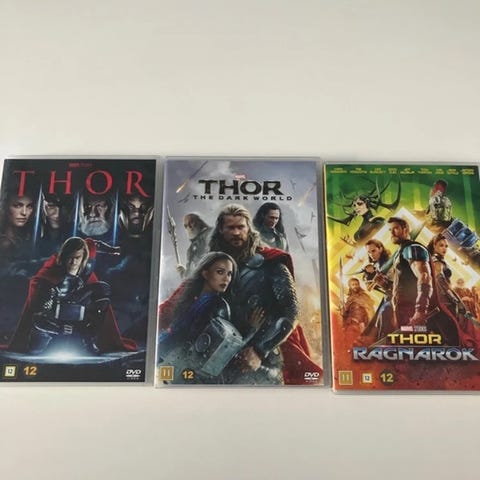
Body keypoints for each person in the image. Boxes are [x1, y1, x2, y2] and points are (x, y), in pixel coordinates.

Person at [209, 203, 322, 385]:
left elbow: (291, 311)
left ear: (249, 228)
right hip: (223, 355)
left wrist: (260, 349)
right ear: (221, 230)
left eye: (240, 227)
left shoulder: (271, 264)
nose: (236, 232)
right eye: (230, 228)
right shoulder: (214, 266)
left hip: (263, 359)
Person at [8, 237, 136, 354]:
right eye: (70, 257)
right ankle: (48, 340)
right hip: (53, 301)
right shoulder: (49, 277)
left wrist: (112, 250)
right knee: (36, 349)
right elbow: (38, 316)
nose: (73, 262)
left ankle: (88, 337)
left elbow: (94, 244)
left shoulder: (88, 258)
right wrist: (58, 328)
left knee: (102, 290)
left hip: (75, 294)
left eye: (77, 258)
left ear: (83, 258)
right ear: (63, 257)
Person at [158, 252, 262, 383]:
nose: (226, 279)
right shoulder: (218, 306)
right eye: (220, 272)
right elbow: (224, 350)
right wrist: (251, 331)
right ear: (205, 273)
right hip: (181, 367)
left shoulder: (189, 296)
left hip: (165, 353)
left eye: (229, 274)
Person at [388, 217, 433, 328]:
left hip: (412, 311)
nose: (392, 233)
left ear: (406, 229)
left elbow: (424, 276)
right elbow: (402, 286)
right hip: (401, 311)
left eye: (395, 228)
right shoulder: (399, 253)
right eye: (390, 230)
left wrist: (420, 310)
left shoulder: (412, 249)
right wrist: (383, 284)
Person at [0, 191, 35, 261]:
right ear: (5, 207)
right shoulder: (5, 244)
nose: (24, 212)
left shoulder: (23, 238)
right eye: (17, 206)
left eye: (29, 206)